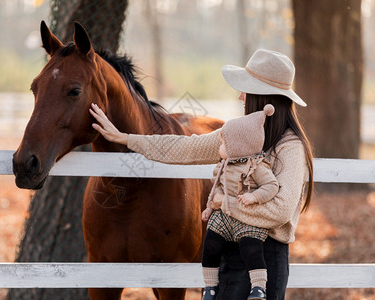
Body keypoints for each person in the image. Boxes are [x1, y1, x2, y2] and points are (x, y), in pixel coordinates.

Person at [89, 49, 314, 300]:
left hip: (265, 260)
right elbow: (184, 148)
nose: (241, 97)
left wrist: (224, 205)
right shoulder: (237, 135)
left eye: (246, 91)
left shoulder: (290, 147)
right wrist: (126, 138)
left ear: (265, 100)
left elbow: (280, 211)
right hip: (231, 256)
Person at [201, 104, 279, 300]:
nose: (219, 149)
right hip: (224, 217)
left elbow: (271, 186)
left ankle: (259, 287)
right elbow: (216, 189)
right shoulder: (223, 166)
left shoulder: (257, 167)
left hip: (247, 218)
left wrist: (254, 196)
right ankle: (210, 287)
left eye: (223, 145)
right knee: (210, 244)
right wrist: (210, 208)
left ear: (238, 147)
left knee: (251, 248)